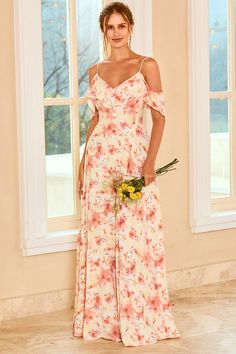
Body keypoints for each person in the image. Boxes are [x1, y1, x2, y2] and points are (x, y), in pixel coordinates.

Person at [72, 1, 181, 347]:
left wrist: (150, 163)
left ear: (131, 28)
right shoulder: (94, 71)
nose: (116, 33)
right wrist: (81, 162)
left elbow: (160, 118)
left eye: (122, 26)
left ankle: (138, 315)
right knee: (102, 238)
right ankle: (104, 318)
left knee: (136, 237)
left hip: (133, 157)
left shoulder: (147, 65)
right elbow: (95, 120)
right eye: (110, 27)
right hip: (100, 162)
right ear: (104, 31)